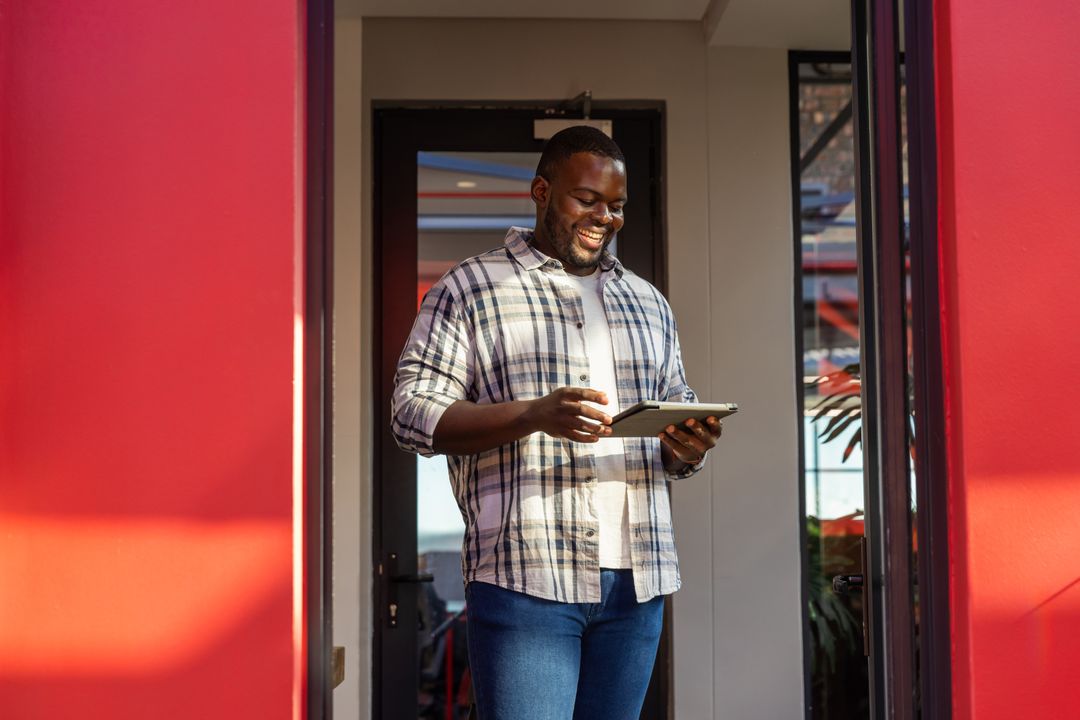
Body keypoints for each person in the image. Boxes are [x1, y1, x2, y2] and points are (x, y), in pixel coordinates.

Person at [392, 126, 722, 720]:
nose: (606, 217)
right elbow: (413, 415)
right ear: (543, 192)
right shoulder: (471, 288)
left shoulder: (648, 302)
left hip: (638, 581)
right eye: (587, 200)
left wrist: (686, 445)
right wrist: (533, 414)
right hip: (527, 579)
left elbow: (674, 405)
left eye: (617, 206)